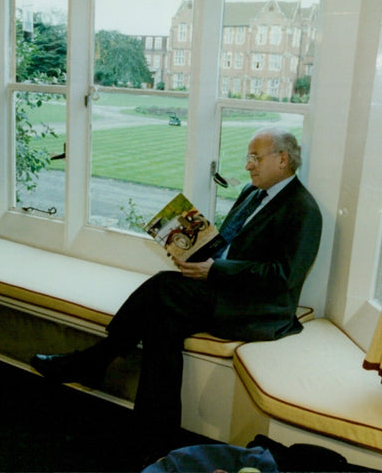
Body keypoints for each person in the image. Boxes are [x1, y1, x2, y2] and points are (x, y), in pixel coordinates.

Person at [31, 127, 322, 459]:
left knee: (163, 285)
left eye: (255, 157)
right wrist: (194, 251)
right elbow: (227, 243)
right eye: (248, 157)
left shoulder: (303, 209)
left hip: (259, 310)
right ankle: (154, 436)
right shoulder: (252, 193)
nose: (248, 166)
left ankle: (96, 360)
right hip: (225, 291)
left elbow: (283, 277)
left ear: (282, 159)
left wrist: (214, 270)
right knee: (160, 321)